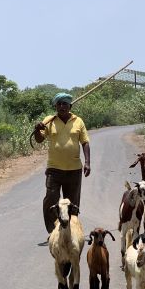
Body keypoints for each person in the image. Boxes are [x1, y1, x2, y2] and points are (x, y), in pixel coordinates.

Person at [33, 92, 91, 234]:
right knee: (50, 201)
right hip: (54, 170)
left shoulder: (78, 121)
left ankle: (73, 231)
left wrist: (88, 162)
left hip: (74, 170)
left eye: (64, 103)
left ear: (70, 106)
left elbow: (85, 142)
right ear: (56, 106)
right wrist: (37, 129)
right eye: (58, 104)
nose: (61, 106)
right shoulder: (49, 121)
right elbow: (39, 139)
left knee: (72, 203)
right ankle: (53, 231)